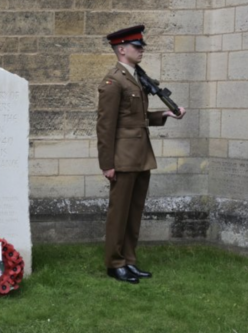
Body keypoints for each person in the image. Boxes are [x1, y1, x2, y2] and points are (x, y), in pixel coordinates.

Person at [96, 25, 186, 284]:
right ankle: (114, 264)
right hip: (122, 159)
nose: (142, 49)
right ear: (121, 49)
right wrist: (107, 164)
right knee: (119, 212)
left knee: (134, 211)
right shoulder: (113, 81)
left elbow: (136, 119)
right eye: (137, 46)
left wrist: (165, 114)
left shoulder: (135, 78)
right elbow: (105, 126)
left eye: (141, 45)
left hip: (140, 155)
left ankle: (129, 260)